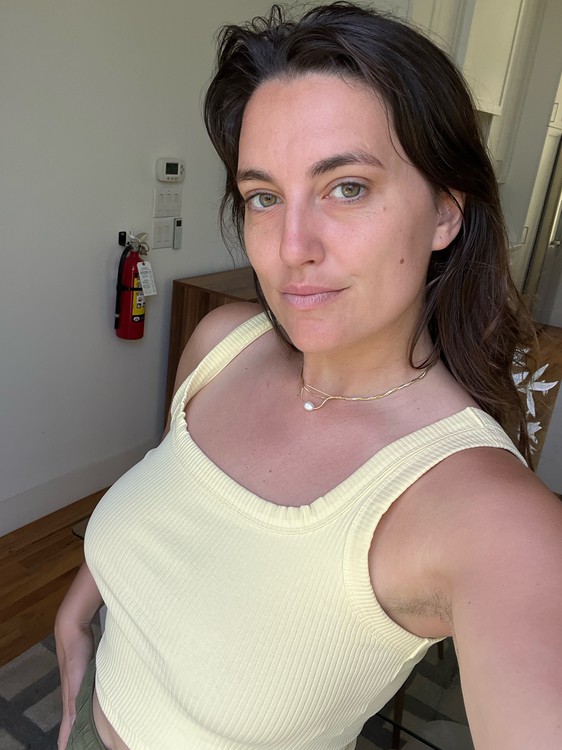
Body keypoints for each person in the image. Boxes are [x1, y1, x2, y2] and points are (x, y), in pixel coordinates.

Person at [55, 3, 562, 749]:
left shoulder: (490, 515)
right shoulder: (222, 344)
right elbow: (168, 502)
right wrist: (78, 606)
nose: (292, 247)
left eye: (347, 187)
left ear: (446, 213)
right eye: (264, 198)